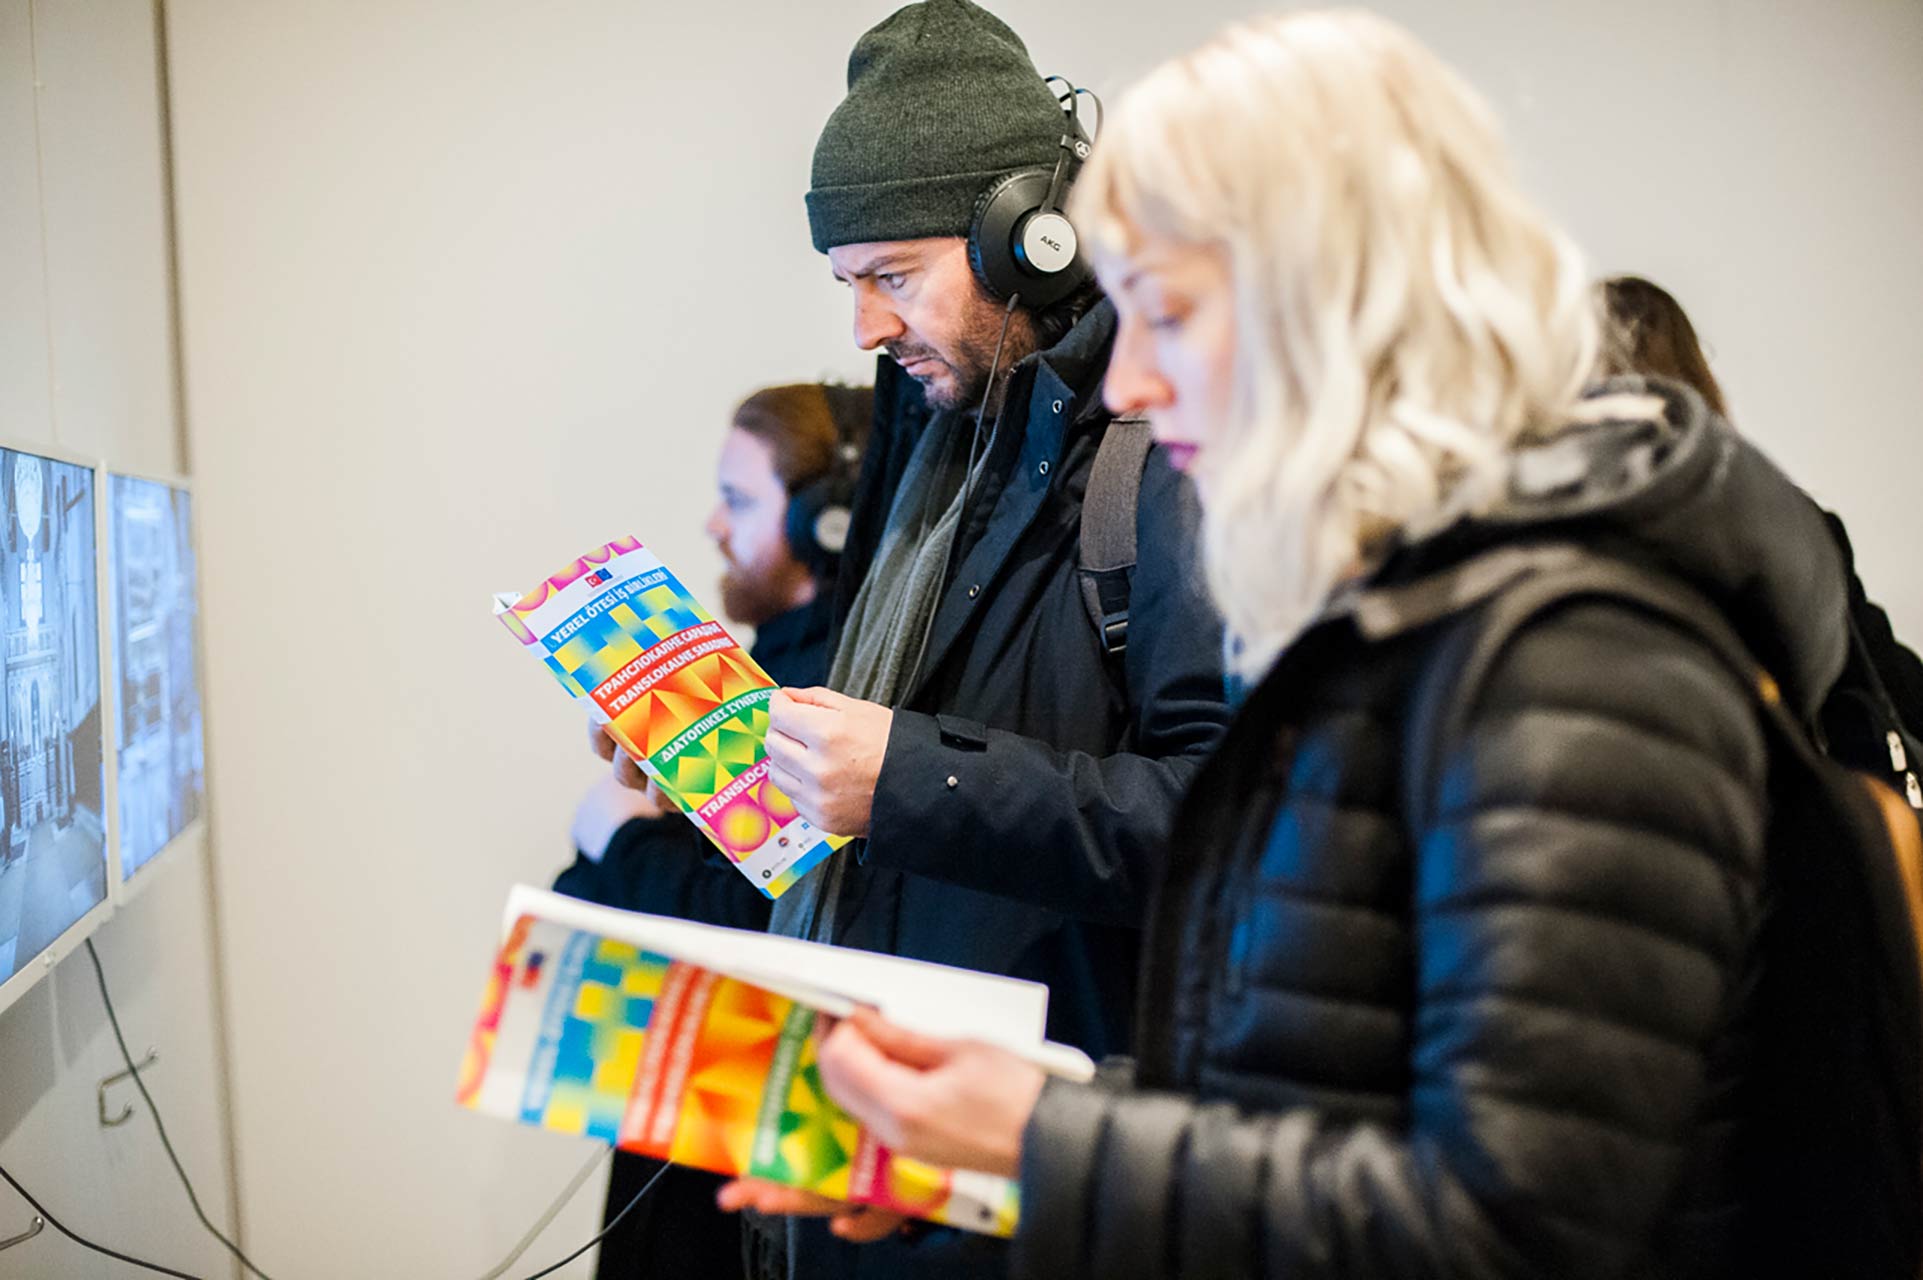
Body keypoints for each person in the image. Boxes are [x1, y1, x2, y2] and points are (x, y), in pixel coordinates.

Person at [731, 11, 1908, 1277]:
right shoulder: (1405, 624)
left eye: (1168, 313)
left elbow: (1508, 1231)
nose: (1128, 384)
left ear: (1337, 302)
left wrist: (1043, 1140)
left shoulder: (1580, 658)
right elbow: (1317, 1094)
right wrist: (1006, 1126)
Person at [595, 3, 1232, 1276]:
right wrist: (726, 752)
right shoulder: (934, 434)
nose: (866, 330)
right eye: (849, 284)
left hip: (1028, 1203)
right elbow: (892, 724)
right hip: (856, 1168)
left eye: (892, 275)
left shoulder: (1165, 462)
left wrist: (909, 779)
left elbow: (1223, 826)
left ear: (1031, 239)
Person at [558, 381, 870, 1280]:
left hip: (733, 1145)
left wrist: (621, 838)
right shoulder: (762, 665)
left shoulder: (824, 695)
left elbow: (757, 923)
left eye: (738, 500)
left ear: (823, 524)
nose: (714, 524)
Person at [1598, 274, 1923, 791]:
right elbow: (1879, 676)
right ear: (1695, 376)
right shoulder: (1786, 526)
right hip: (1773, 812)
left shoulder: (1547, 543)